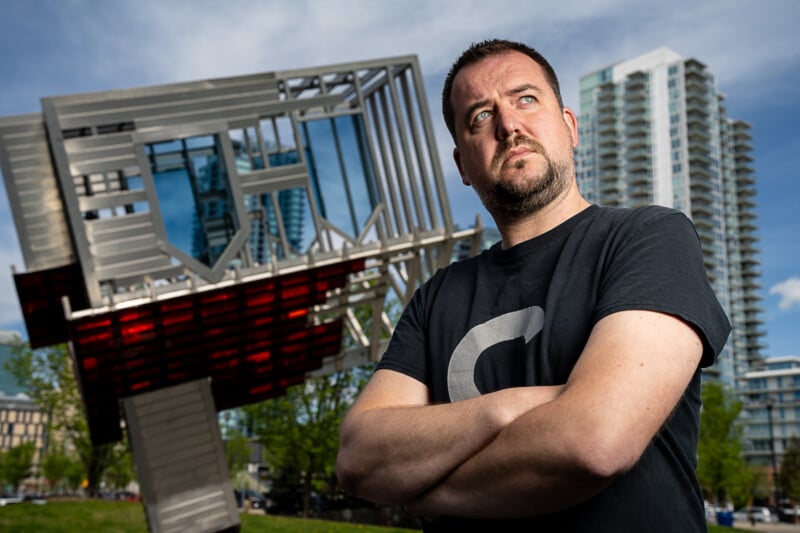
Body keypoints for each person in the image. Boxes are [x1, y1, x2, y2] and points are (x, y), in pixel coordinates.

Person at [336, 39, 731, 532]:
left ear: (569, 126)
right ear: (463, 165)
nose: (508, 125)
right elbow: (357, 456)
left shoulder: (648, 237)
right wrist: (510, 407)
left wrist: (427, 492)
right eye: (480, 116)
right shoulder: (437, 295)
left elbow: (594, 441)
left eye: (526, 99)